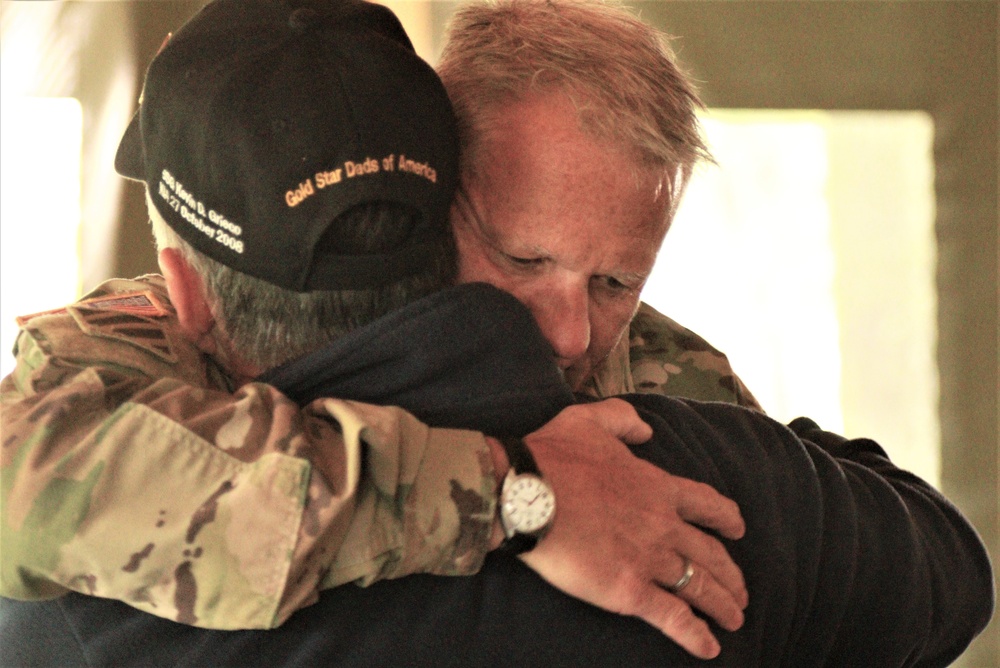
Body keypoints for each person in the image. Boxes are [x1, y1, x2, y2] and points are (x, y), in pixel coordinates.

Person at [4, 0, 990, 665]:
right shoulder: (155, 344)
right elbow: (23, 488)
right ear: (431, 195)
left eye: (615, 280)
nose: (569, 330)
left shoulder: (662, 369)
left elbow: (895, 559)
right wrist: (517, 489)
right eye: (521, 259)